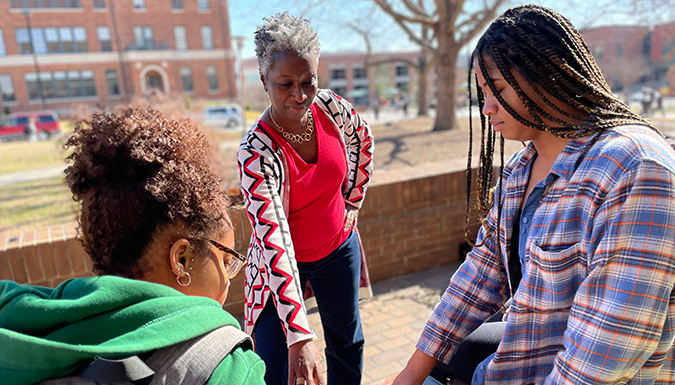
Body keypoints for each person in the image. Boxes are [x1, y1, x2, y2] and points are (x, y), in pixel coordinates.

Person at [384, 5, 675, 385]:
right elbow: (482, 270)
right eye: (483, 93)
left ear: (549, 71)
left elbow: (603, 356)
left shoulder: (635, 170)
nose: (486, 107)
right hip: (520, 363)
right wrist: (410, 373)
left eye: (499, 90)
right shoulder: (524, 167)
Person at [0, 108, 265, 384]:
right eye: (226, 261)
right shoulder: (230, 368)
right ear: (181, 259)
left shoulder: (16, 328)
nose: (228, 279)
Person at [237, 12, 374, 385]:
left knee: (346, 343)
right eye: (284, 83)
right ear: (264, 80)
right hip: (279, 266)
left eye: (307, 81)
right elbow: (273, 239)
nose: (299, 95)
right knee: (272, 363)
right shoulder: (256, 152)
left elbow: (363, 141)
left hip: (337, 250)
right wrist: (299, 334)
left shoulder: (331, 108)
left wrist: (352, 200)